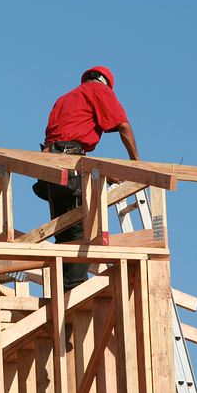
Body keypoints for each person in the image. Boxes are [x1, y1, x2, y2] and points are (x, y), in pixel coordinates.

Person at [33, 66, 141, 290]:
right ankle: (72, 295)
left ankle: (60, 293)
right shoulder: (99, 91)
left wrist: (105, 175)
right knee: (82, 233)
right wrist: (136, 164)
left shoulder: (65, 98)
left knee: (64, 235)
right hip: (69, 167)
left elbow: (66, 137)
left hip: (50, 168)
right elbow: (122, 125)